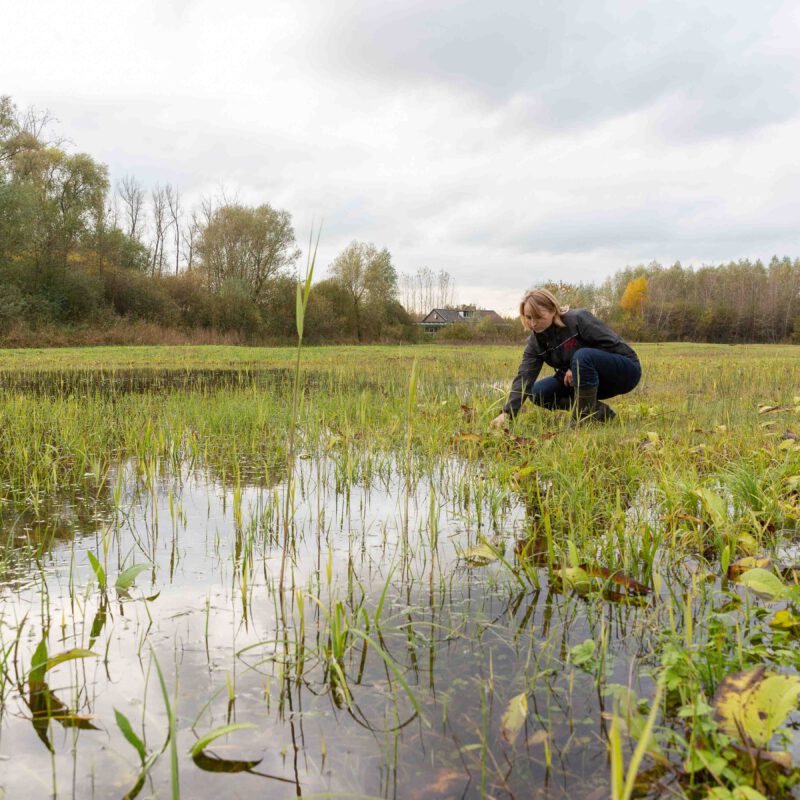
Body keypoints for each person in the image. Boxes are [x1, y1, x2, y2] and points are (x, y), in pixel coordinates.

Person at [490, 288, 641, 428]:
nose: (533, 323)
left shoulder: (578, 319)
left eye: (538, 317)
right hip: (588, 381)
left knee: (583, 356)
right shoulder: (535, 343)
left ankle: (580, 421)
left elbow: (614, 345)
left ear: (553, 310)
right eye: (528, 317)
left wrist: (576, 367)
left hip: (625, 371)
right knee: (538, 392)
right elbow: (524, 377)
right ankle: (597, 412)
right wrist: (507, 413)